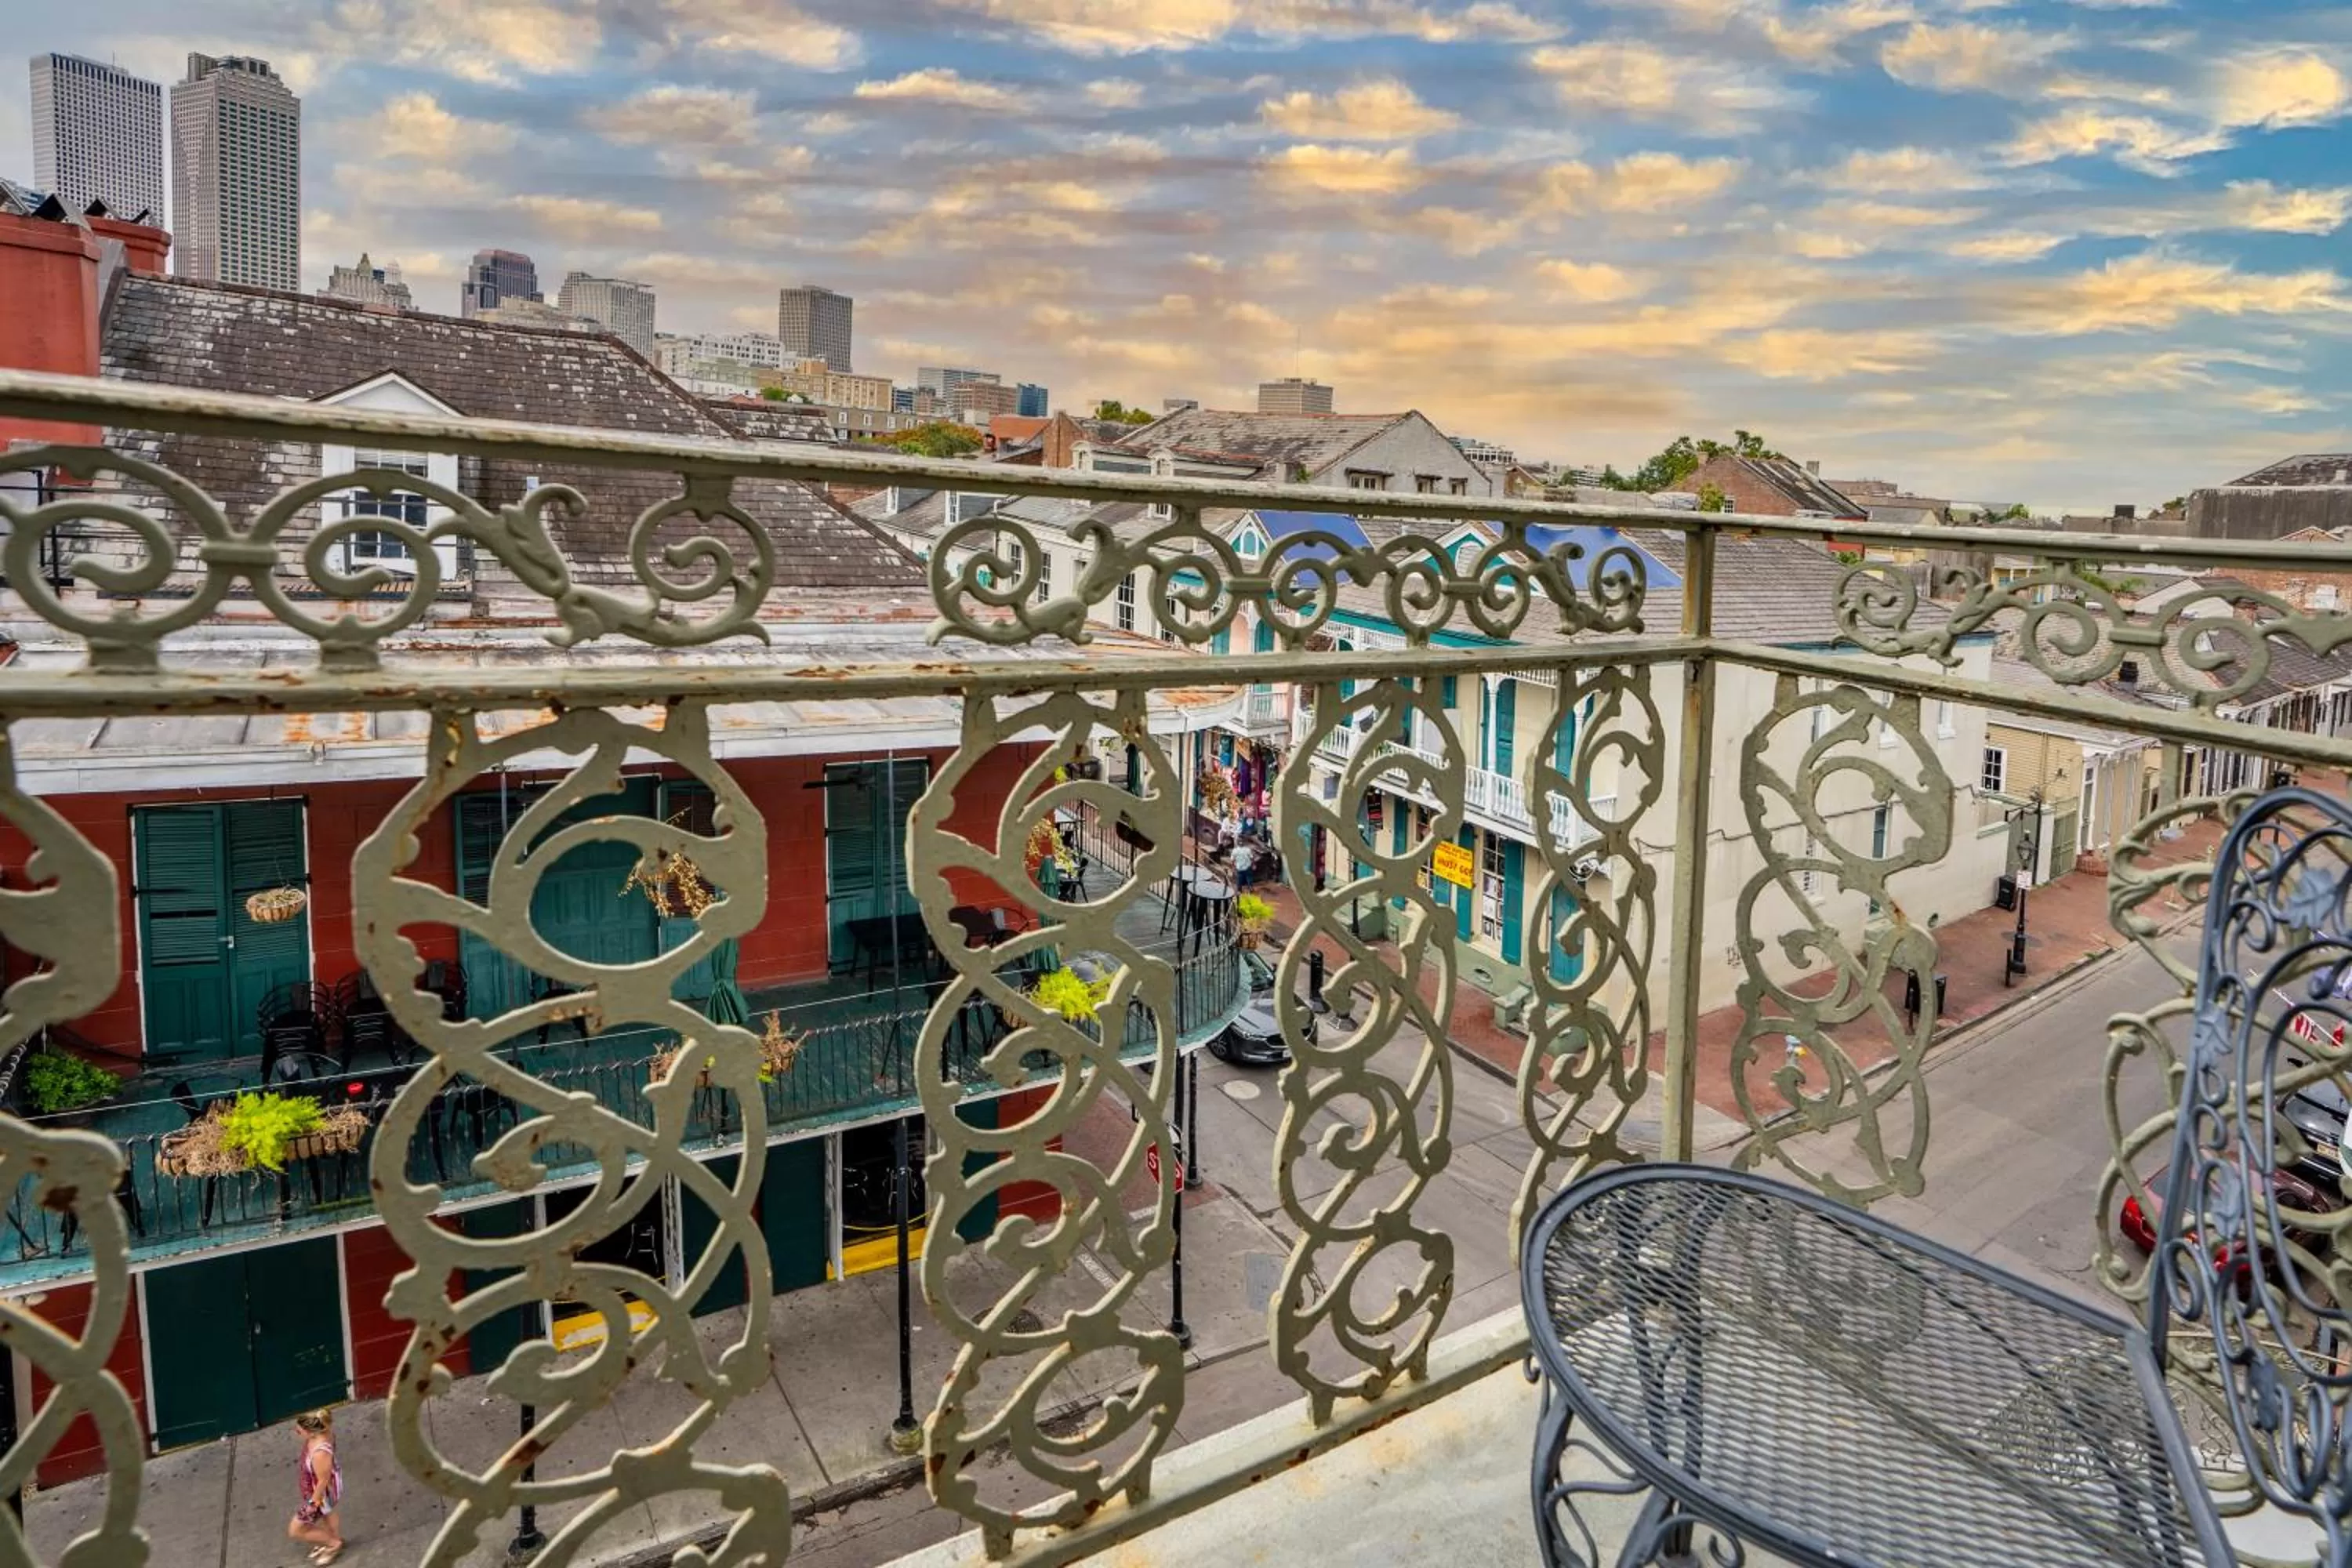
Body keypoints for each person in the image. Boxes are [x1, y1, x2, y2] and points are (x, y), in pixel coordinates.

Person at [288, 1409, 344, 1564]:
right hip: (324, 1490)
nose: (296, 1433)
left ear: (312, 1432)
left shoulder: (320, 1453)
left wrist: (313, 1503)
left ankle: (333, 1544)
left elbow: (323, 1480)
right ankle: (332, 1540)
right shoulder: (323, 1434)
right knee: (327, 1513)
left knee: (296, 1530)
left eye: (299, 1431)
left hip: (321, 1494)